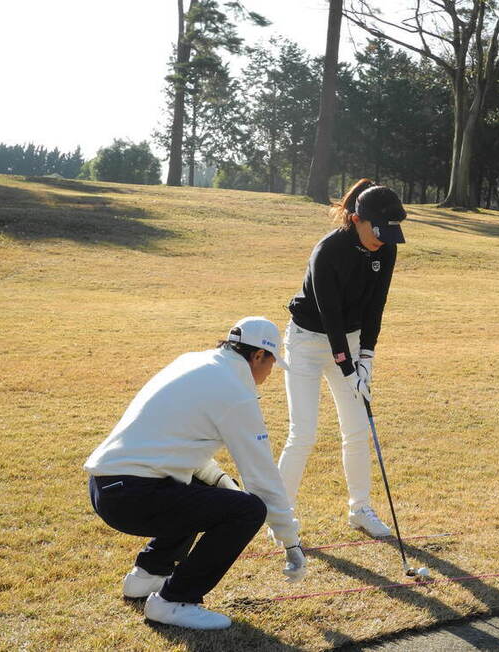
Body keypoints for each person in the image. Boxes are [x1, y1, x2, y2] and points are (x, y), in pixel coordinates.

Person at [84, 317, 305, 630]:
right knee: (249, 510)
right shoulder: (236, 391)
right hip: (133, 495)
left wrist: (224, 484)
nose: (270, 373)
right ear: (258, 356)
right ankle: (173, 601)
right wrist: (291, 542)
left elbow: (180, 447)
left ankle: (147, 576)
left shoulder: (193, 362)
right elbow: (262, 478)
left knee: (208, 488)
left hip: (104, 487)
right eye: (271, 363)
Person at [277, 179, 406, 538]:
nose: (383, 239)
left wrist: (367, 356)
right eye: (377, 230)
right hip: (306, 341)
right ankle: (280, 515)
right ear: (355, 219)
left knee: (357, 430)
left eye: (390, 232)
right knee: (302, 433)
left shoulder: (386, 249)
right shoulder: (328, 251)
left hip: (349, 340)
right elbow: (329, 315)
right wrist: (347, 366)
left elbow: (375, 307)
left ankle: (360, 509)